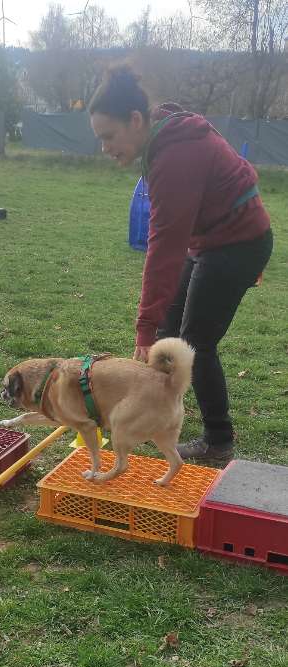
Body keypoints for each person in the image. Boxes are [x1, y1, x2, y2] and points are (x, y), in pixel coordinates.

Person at [89, 65, 273, 463]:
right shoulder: (162, 137)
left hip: (239, 242)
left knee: (194, 343)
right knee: (168, 331)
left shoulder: (174, 157)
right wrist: (152, 327)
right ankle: (159, 411)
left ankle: (218, 440)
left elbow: (164, 250)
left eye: (108, 136)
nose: (104, 147)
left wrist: (143, 326)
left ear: (135, 120)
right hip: (211, 238)